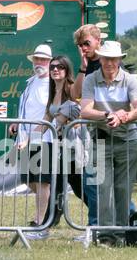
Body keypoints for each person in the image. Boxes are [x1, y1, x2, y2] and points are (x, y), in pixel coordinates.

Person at [79, 40, 137, 246]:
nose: (109, 63)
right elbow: (85, 110)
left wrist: (124, 117)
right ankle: (106, 237)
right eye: (106, 58)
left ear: (120, 60)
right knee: (102, 189)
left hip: (127, 141)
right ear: (100, 59)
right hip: (100, 140)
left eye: (114, 59)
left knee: (123, 190)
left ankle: (122, 235)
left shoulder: (130, 80)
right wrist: (108, 114)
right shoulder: (90, 80)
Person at [42, 55, 91, 229]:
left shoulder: (70, 89)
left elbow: (74, 109)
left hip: (76, 147)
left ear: (66, 70)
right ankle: (49, 222)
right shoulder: (53, 91)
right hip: (62, 149)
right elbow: (45, 121)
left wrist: (83, 68)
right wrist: (24, 136)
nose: (55, 69)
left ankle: (101, 217)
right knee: (61, 186)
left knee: (80, 189)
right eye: (52, 67)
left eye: (60, 67)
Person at [12, 44, 53, 237]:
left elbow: (48, 114)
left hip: (43, 138)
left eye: (43, 59)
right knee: (28, 179)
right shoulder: (32, 82)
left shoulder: (51, 84)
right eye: (37, 59)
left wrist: (31, 136)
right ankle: (48, 211)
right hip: (25, 138)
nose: (39, 63)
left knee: (42, 182)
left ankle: (40, 222)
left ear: (50, 62)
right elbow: (26, 109)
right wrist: (17, 125)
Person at [72, 23, 103, 100]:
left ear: (98, 40)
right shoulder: (85, 64)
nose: (84, 48)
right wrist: (83, 68)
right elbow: (76, 95)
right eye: (80, 45)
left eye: (87, 43)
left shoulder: (109, 63)